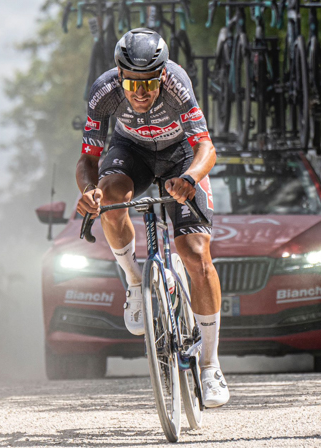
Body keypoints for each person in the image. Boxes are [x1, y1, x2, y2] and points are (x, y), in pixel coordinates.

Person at [75, 28, 228, 408]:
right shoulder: (103, 92)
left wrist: (190, 178)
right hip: (133, 153)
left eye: (148, 83)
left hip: (180, 156)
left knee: (195, 254)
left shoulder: (178, 84)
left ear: (161, 76)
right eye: (131, 83)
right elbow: (88, 159)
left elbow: (206, 146)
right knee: (110, 196)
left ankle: (210, 366)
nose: (140, 92)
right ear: (118, 75)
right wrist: (88, 192)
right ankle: (132, 282)